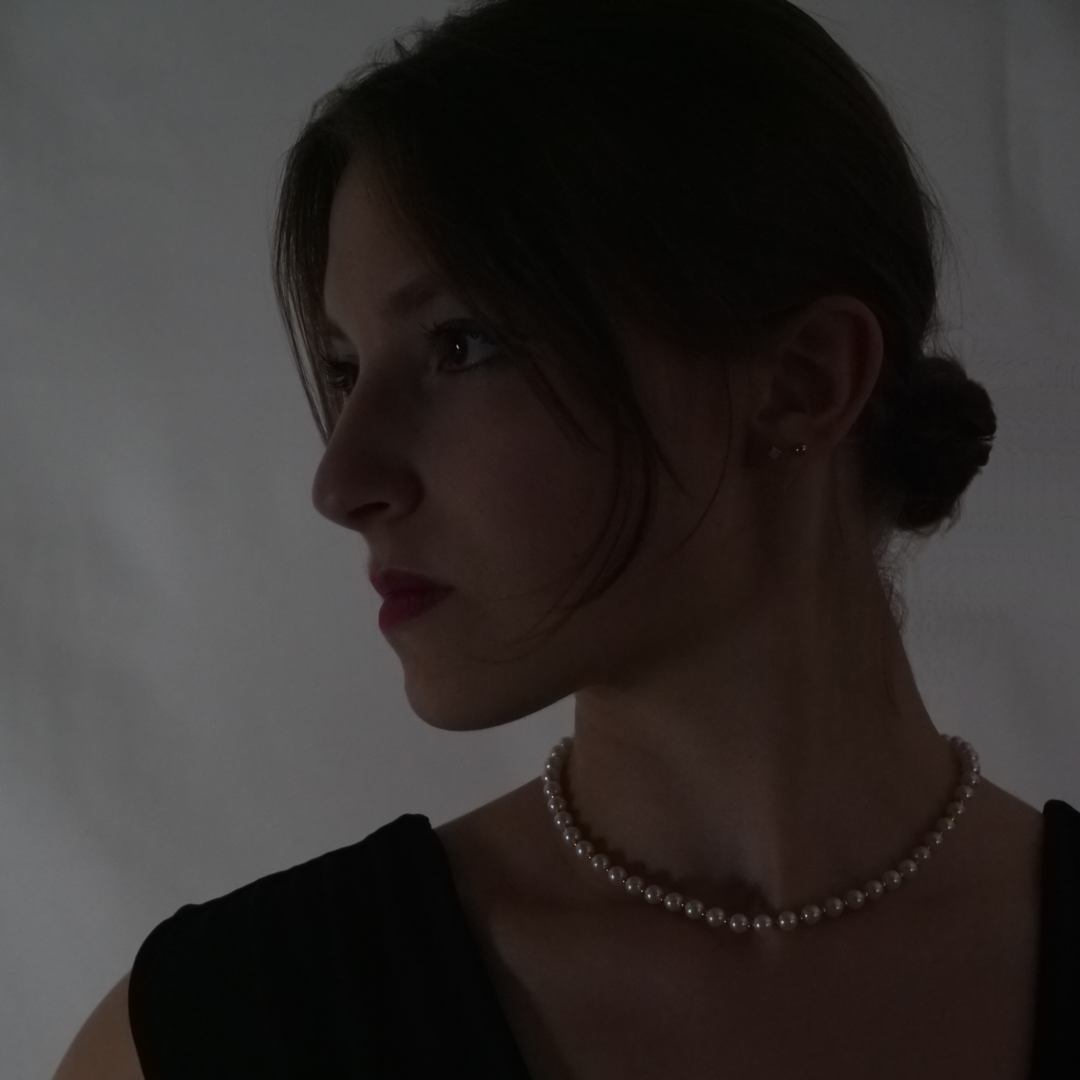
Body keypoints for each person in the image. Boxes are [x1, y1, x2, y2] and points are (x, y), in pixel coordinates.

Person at [53, 0, 1079, 1077]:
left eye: (461, 344)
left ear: (800, 382)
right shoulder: (217, 1030)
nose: (342, 483)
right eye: (346, 368)